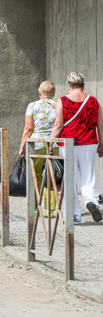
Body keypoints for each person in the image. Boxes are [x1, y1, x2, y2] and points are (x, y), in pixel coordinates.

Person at [50, 72, 103, 223]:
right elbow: (101, 126)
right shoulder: (93, 101)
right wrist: (101, 145)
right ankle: (91, 202)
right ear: (83, 85)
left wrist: (51, 143)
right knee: (88, 176)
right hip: (89, 143)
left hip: (68, 144)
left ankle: (73, 214)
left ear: (69, 85)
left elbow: (58, 125)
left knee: (70, 178)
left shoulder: (63, 101)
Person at [19, 81, 57, 215]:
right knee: (51, 176)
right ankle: (50, 210)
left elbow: (28, 128)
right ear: (53, 93)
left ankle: (34, 207)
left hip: (36, 145)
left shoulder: (32, 106)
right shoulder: (59, 106)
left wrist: (22, 146)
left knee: (34, 175)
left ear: (39, 93)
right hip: (54, 145)